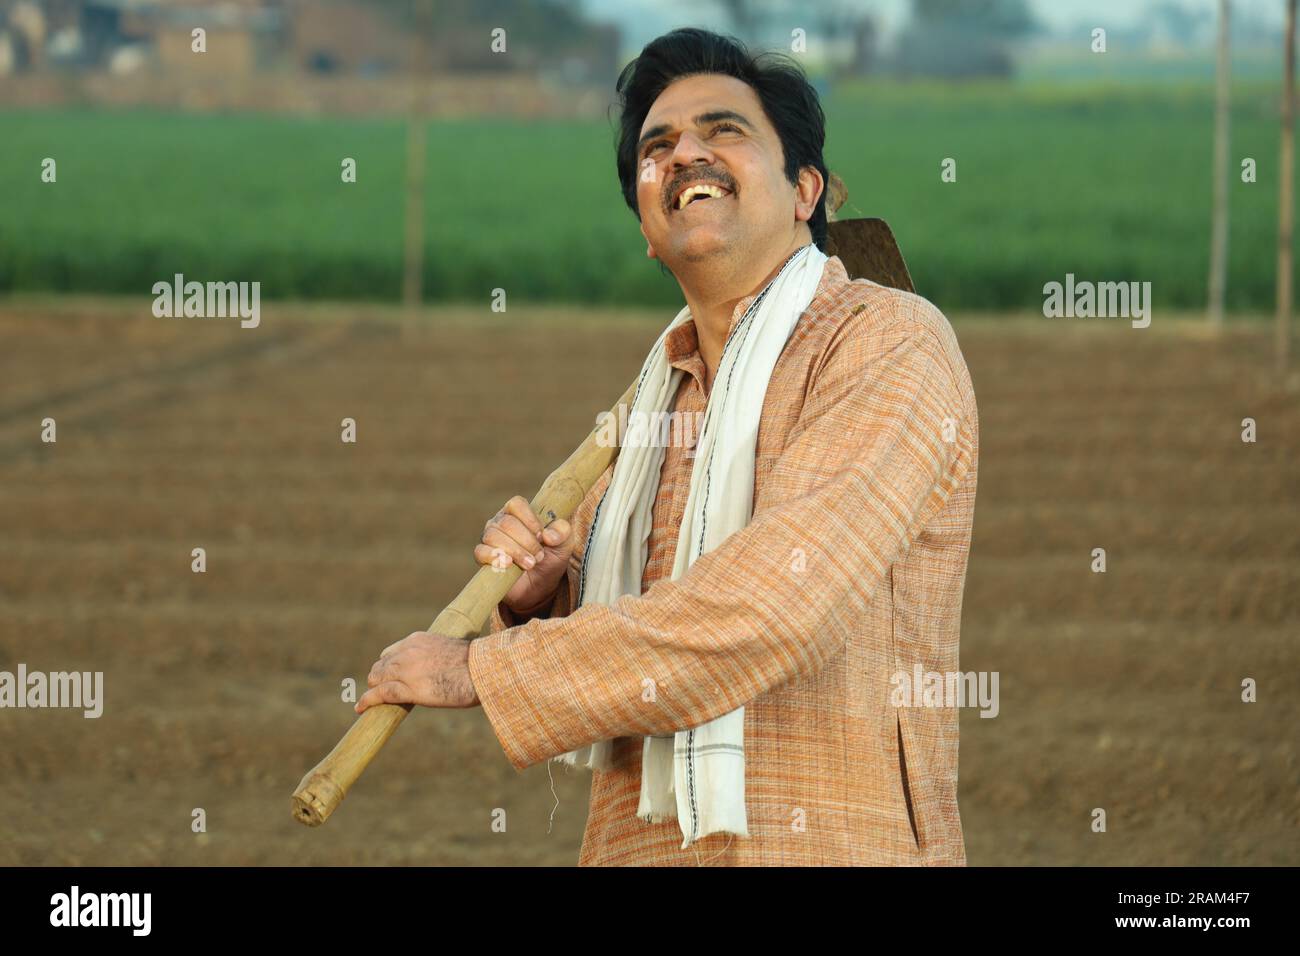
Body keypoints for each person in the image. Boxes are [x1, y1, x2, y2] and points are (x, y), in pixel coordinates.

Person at [357, 27, 979, 867]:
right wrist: (551, 594)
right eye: (658, 146)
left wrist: (486, 670)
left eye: (724, 130)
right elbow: (648, 636)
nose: (685, 152)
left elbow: (770, 607)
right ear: (649, 231)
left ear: (806, 191)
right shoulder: (656, 405)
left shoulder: (886, 344)